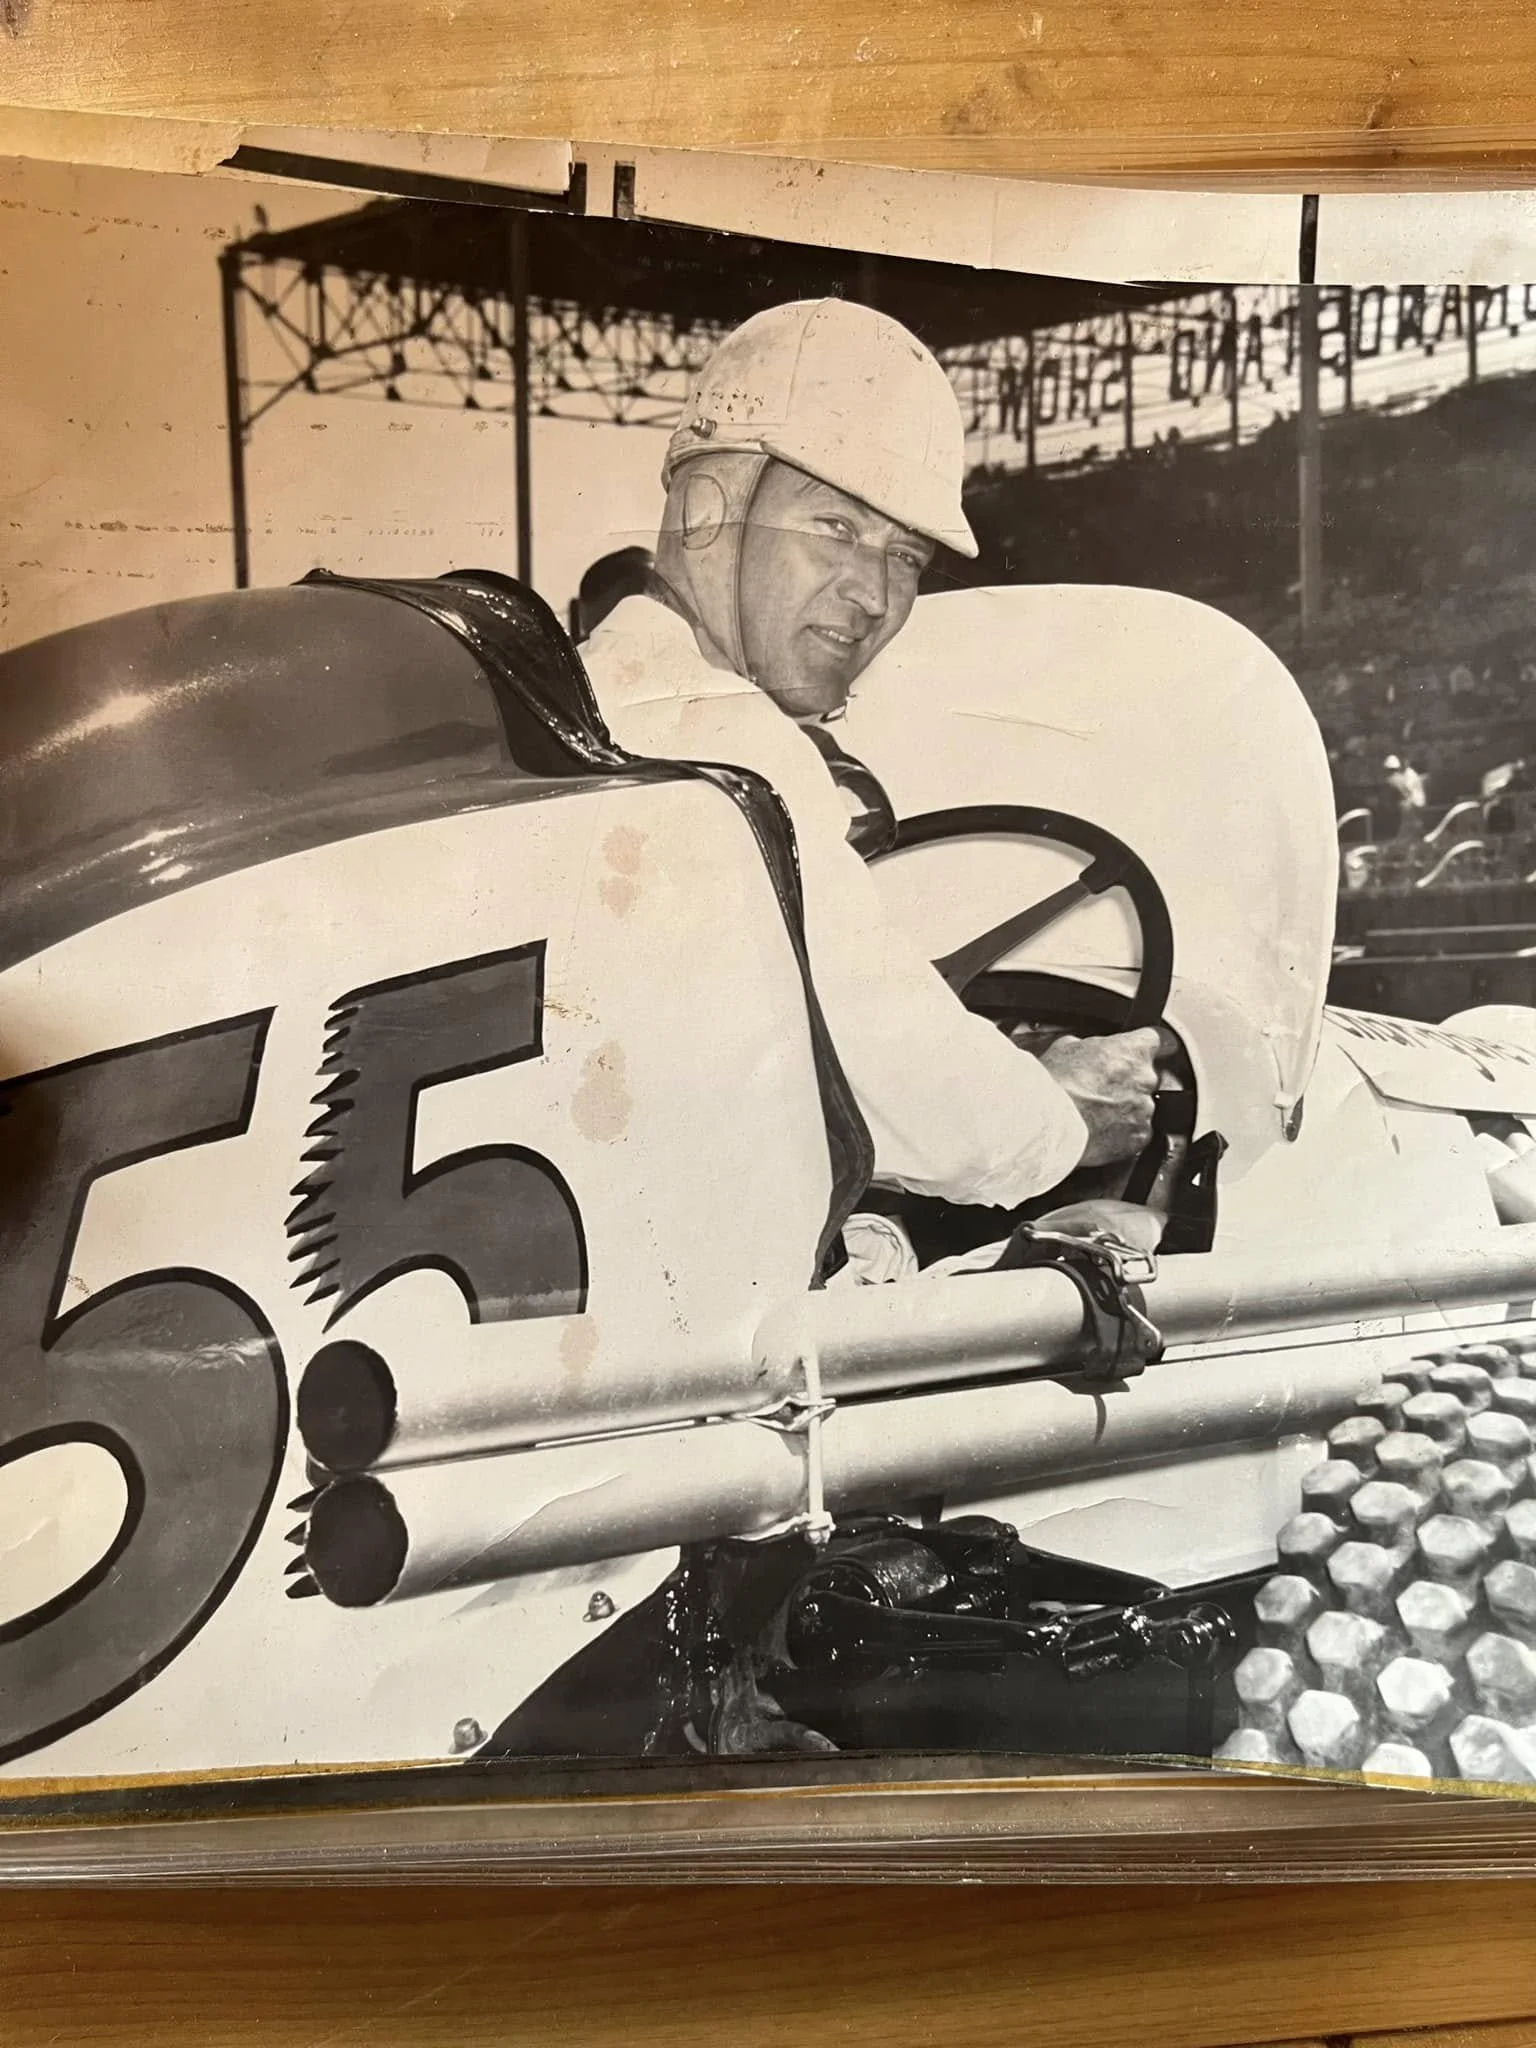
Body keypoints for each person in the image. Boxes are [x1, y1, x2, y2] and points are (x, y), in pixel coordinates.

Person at [579, 297, 1162, 1229]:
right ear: (704, 511)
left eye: (907, 558)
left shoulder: (596, 694)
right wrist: (1064, 1115)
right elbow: (905, 1089)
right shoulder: (727, 747)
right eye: (836, 530)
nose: (874, 594)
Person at [1384, 753, 1427, 838]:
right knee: (1412, 827)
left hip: (1403, 807)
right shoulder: (1403, 777)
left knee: (1407, 831)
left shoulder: (1390, 780)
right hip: (1409, 805)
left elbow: (1388, 799)